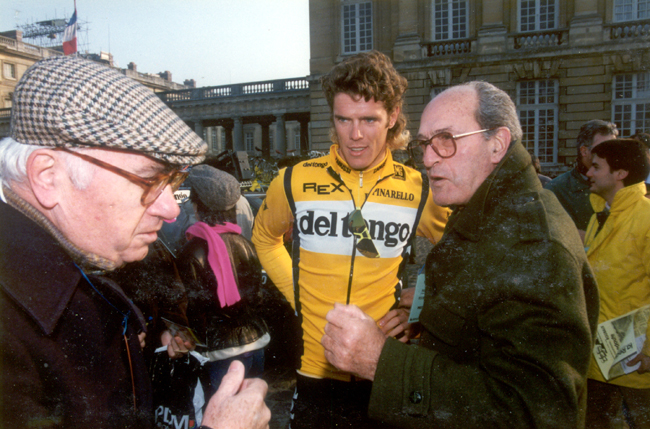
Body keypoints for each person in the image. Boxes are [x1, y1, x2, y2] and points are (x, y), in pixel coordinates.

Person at [0, 56, 270, 429]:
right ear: (48, 177)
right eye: (148, 182)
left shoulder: (80, 263)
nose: (170, 210)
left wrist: (155, 338)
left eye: (172, 183)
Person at [321, 81, 599, 428]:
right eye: (424, 143)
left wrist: (381, 361)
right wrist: (424, 312)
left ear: (496, 144)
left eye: (446, 140)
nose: (427, 158)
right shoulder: (486, 211)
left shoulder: (531, 243)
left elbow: (535, 414)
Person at [252, 50, 449, 428]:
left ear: (392, 117)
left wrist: (419, 308)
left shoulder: (418, 189)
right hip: (315, 375)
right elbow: (264, 239)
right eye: (344, 120)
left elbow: (466, 252)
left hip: (384, 371)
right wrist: (301, 297)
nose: (355, 135)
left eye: (369, 120)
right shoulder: (293, 180)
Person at [176, 165, 271, 399]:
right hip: (256, 344)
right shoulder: (244, 243)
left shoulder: (191, 250)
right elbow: (257, 297)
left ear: (198, 207)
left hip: (220, 353)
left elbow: (192, 308)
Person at [583, 139, 650, 427]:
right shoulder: (597, 217)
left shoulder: (646, 218)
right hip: (599, 359)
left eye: (596, 167)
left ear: (620, 173)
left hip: (637, 363)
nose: (588, 173)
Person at [545, 119, 618, 235]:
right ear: (584, 151)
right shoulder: (556, 190)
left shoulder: (619, 183)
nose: (611, 153)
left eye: (614, 148)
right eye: (604, 148)